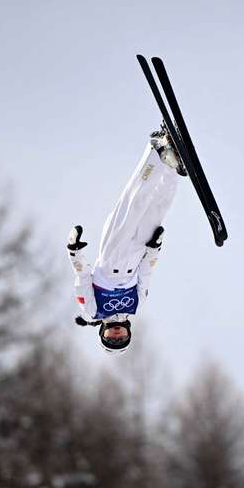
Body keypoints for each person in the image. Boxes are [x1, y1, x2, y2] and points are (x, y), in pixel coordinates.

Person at [67, 125, 186, 355]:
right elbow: (146, 275)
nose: (117, 335)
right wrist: (154, 250)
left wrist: (74, 252)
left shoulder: (92, 311)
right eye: (121, 339)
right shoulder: (136, 306)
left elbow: (82, 277)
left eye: (111, 339)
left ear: (103, 332)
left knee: (135, 203)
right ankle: (172, 167)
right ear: (129, 333)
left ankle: (157, 150)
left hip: (112, 256)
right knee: (158, 209)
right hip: (136, 256)